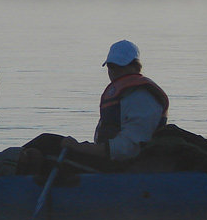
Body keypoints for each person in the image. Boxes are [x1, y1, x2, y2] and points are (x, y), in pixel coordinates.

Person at [57, 39, 169, 168]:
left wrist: (80, 148)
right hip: (110, 160)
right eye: (111, 66)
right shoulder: (125, 93)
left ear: (135, 67)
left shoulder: (141, 96)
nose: (115, 71)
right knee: (48, 142)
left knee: (47, 144)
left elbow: (131, 148)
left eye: (121, 66)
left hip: (126, 167)